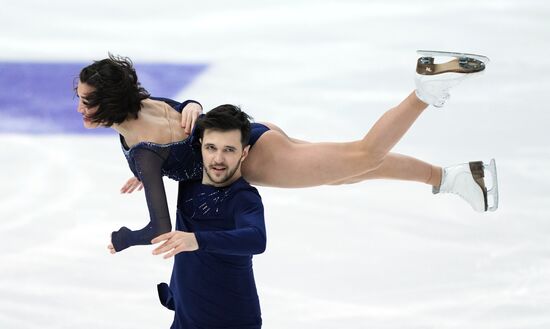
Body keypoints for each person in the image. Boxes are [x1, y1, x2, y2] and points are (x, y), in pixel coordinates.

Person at [73, 52, 498, 253]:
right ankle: (455, 177)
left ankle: (425, 91)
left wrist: (122, 239)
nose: (80, 108)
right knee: (349, 171)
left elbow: (159, 226)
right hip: (252, 135)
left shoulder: (140, 149)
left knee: (363, 155)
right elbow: (181, 113)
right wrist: (183, 126)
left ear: (111, 101)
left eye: (88, 100)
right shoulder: (144, 104)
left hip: (253, 157)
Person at [151, 106, 266, 328]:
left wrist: (197, 240)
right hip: (186, 318)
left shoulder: (243, 198)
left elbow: (256, 239)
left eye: (229, 150)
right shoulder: (190, 179)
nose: (218, 159)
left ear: (244, 152)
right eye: (211, 148)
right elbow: (150, 108)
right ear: (200, 145)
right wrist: (189, 104)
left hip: (232, 322)